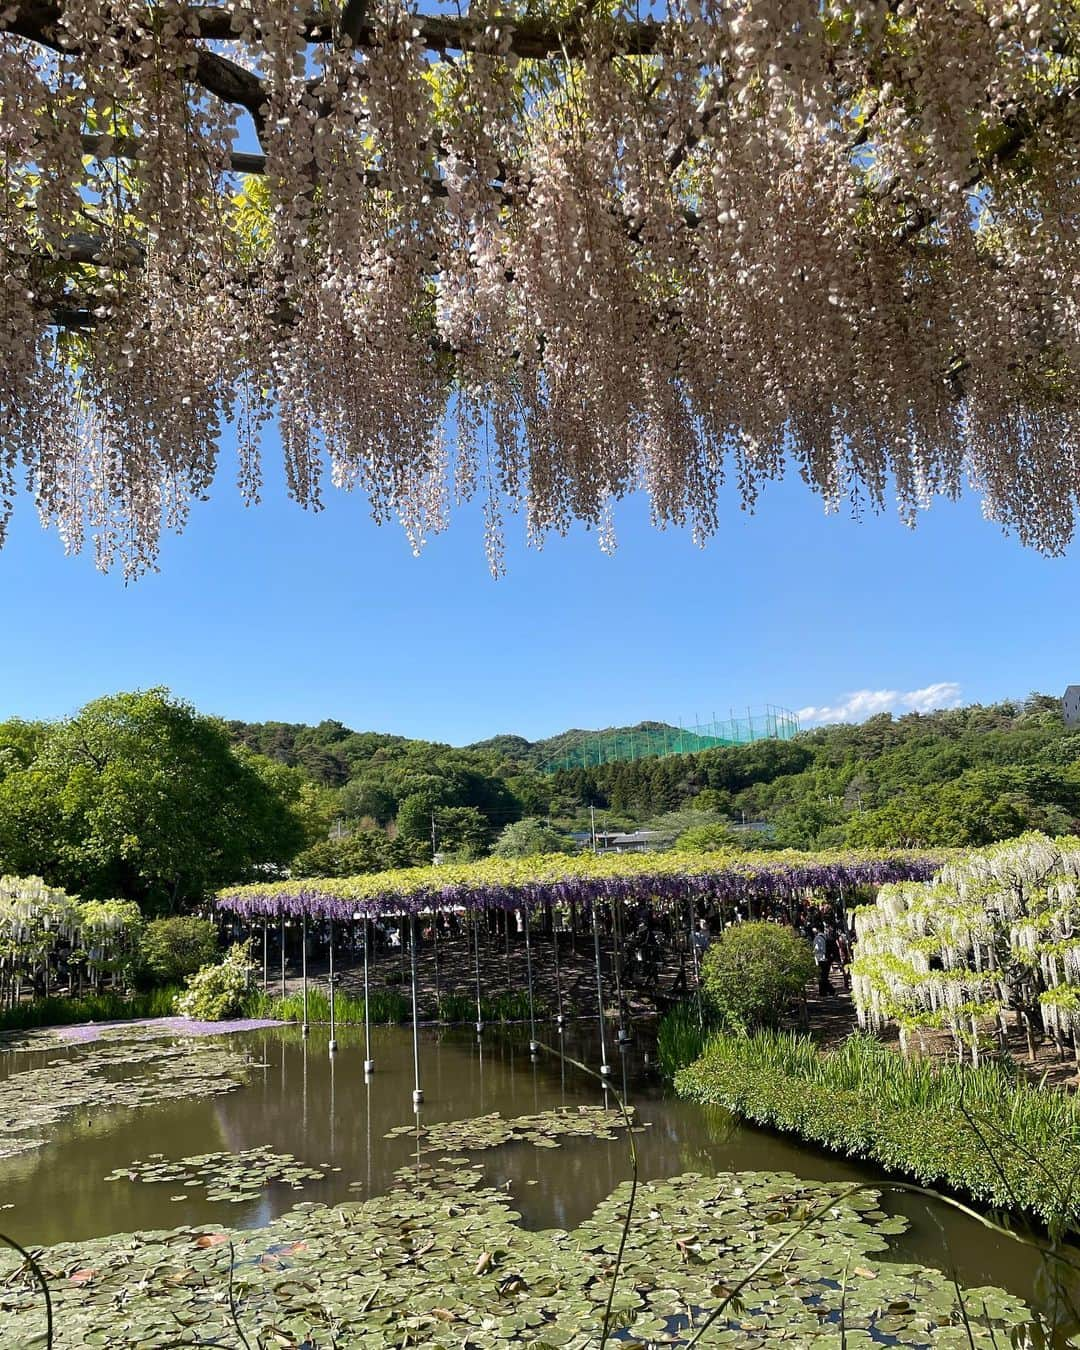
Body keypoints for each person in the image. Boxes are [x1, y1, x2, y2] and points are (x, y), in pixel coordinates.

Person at [812, 928, 831, 996]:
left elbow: (816, 949)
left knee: (821, 977)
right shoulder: (825, 937)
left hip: (820, 959)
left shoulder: (817, 938)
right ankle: (828, 991)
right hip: (826, 959)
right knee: (824, 976)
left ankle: (824, 992)